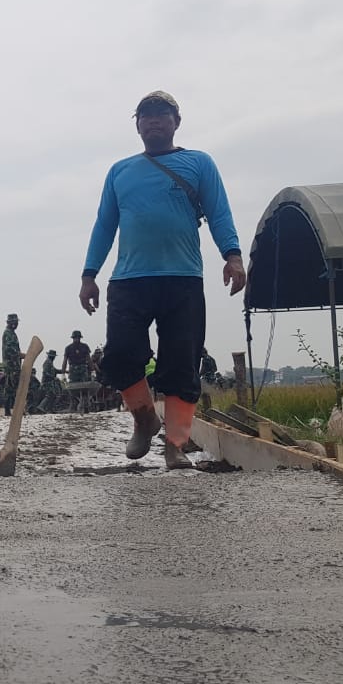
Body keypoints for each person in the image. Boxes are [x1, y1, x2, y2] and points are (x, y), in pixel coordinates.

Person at [79, 91, 245, 468]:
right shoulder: (120, 171)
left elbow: (219, 212)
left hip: (182, 278)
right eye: (146, 115)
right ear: (137, 124)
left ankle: (174, 445)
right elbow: (105, 225)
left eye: (162, 114)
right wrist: (89, 275)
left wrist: (232, 256)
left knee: (182, 362)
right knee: (120, 355)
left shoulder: (198, 163)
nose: (154, 121)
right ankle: (144, 419)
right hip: (128, 280)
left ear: (176, 122)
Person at [0, 313, 23, 417]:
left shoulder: (12, 333)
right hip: (11, 366)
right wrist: (21, 355)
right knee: (12, 388)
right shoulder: (8, 333)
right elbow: (9, 350)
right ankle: (9, 411)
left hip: (14, 365)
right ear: (11, 323)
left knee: (12, 388)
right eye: (15, 322)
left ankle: (11, 410)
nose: (16, 324)